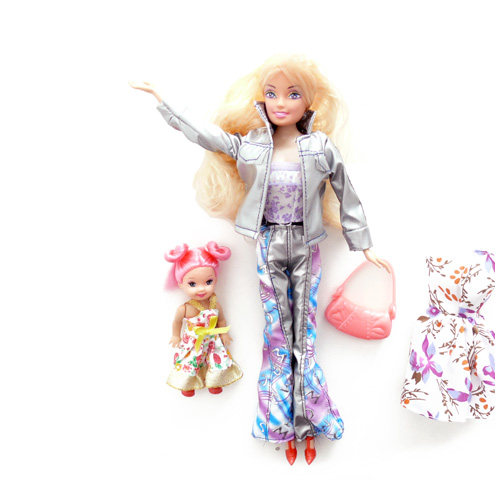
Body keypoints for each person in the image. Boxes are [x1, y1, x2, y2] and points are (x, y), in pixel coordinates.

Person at [130, 54, 388, 464]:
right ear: (261, 97)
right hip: (268, 242)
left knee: (304, 333)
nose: (281, 102)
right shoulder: (250, 145)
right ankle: (278, 424)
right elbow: (204, 134)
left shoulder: (320, 147)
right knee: (277, 333)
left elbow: (347, 192)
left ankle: (312, 421)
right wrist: (163, 99)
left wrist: (363, 242)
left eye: (292, 94)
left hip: (306, 242)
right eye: (272, 93)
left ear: (309, 100)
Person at [164, 242, 242, 397]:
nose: (201, 288)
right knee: (190, 360)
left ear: (215, 280)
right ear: (181, 284)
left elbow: (221, 321)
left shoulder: (215, 305)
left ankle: (215, 381)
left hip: (213, 340)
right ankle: (187, 385)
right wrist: (175, 335)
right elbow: (177, 322)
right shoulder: (185, 308)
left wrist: (223, 333)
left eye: (208, 282)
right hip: (194, 341)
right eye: (192, 284)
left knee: (217, 358)